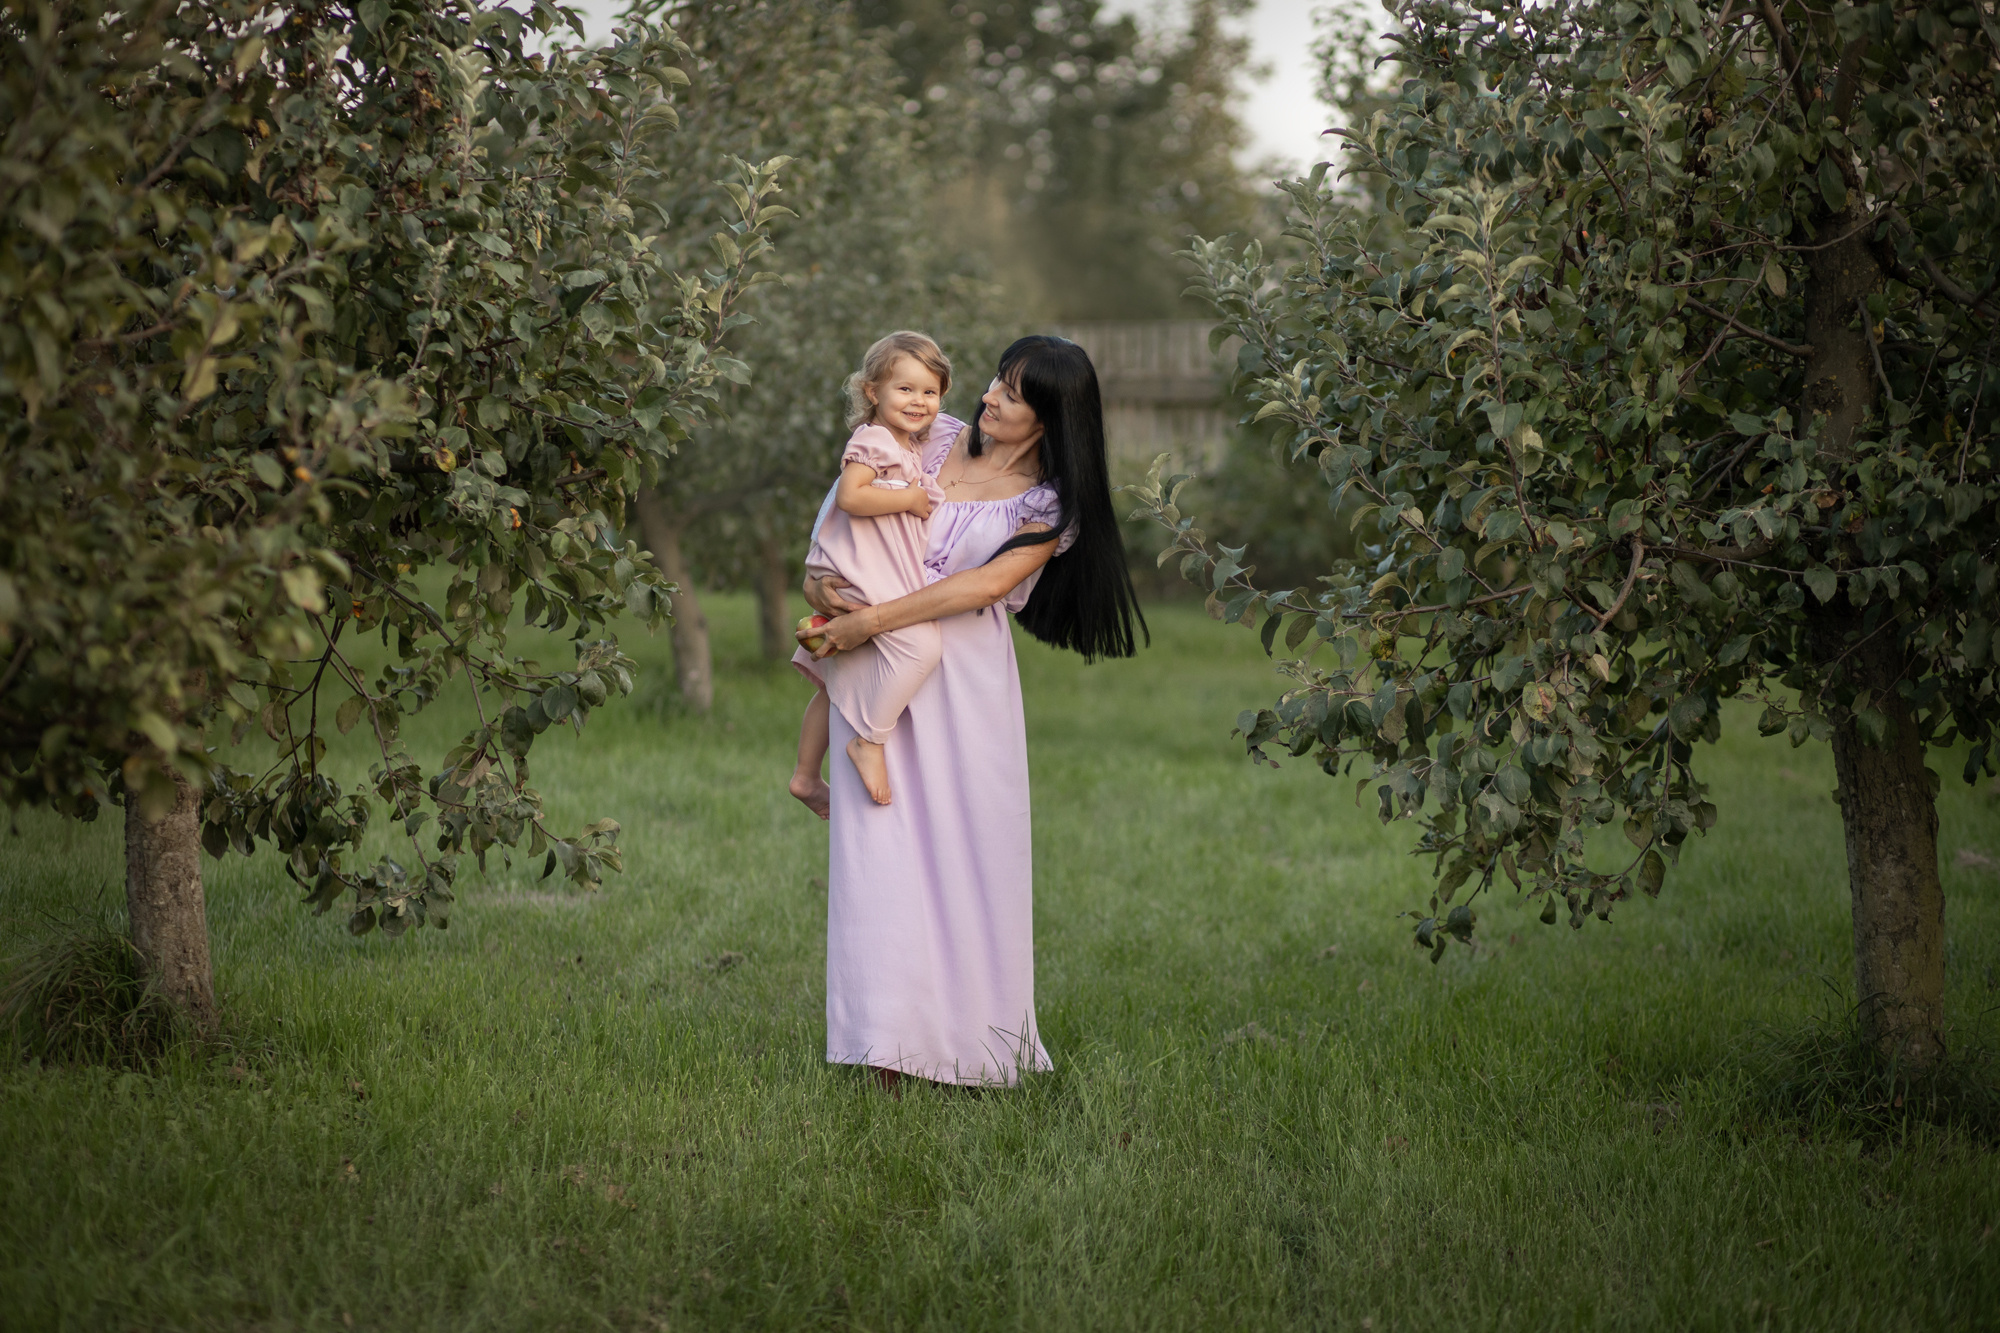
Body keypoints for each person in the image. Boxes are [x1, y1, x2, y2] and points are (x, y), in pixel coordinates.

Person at [796, 335, 1146, 1088]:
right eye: (995, 380)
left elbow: (979, 589)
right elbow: (844, 513)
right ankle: (884, 1047)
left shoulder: (1049, 506)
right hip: (880, 670)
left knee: (965, 864)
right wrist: (823, 591)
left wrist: (873, 620)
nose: (987, 396)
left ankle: (972, 1049)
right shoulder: (931, 437)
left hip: (964, 690)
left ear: (1049, 420)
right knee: (877, 861)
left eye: (1013, 394)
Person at [788, 332, 954, 813]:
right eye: (905, 388)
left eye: (930, 391)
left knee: (839, 679)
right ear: (872, 391)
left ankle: (804, 776)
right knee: (921, 646)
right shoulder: (874, 439)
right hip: (860, 570)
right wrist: (910, 497)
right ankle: (870, 741)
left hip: (869, 567)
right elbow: (851, 496)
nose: (919, 401)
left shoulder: (908, 446)